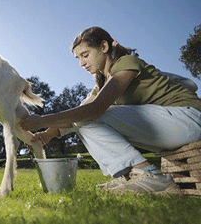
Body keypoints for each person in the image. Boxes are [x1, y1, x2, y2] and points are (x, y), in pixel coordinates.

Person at [20, 26, 201, 195]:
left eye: (85, 55)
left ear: (104, 46)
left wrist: (42, 120)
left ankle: (149, 174)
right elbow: (81, 114)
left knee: (91, 113)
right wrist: (48, 134)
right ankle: (129, 175)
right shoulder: (102, 84)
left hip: (190, 118)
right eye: (78, 59)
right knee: (84, 114)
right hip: (170, 128)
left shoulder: (126, 63)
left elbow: (95, 110)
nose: (82, 63)